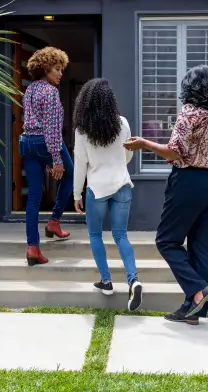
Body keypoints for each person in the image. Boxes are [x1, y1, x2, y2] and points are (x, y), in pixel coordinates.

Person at [124, 64, 208, 325]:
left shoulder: (189, 112)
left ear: (190, 88)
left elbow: (174, 151)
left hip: (188, 181)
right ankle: (193, 311)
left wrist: (143, 144)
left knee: (167, 241)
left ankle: (198, 290)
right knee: (202, 249)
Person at [73, 78, 143, 311]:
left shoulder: (82, 130)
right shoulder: (122, 123)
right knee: (121, 235)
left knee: (95, 235)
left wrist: (76, 194)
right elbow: (128, 155)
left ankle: (106, 281)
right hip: (122, 185)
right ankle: (133, 280)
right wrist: (116, 166)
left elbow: (80, 164)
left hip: (97, 188)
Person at [19, 47, 73, 266]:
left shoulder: (30, 89)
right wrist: (56, 160)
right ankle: (54, 221)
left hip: (26, 142)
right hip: (44, 142)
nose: (61, 74)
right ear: (45, 69)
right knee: (70, 175)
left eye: (62, 70)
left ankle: (33, 247)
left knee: (33, 198)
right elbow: (52, 129)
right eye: (57, 69)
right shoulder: (50, 93)